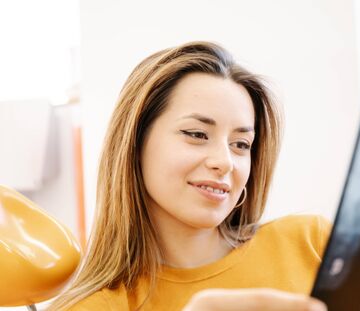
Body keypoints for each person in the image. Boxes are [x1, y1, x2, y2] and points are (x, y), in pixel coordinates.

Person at [49, 41, 330, 311]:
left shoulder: (312, 243)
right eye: (197, 134)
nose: (225, 162)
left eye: (241, 144)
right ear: (135, 143)